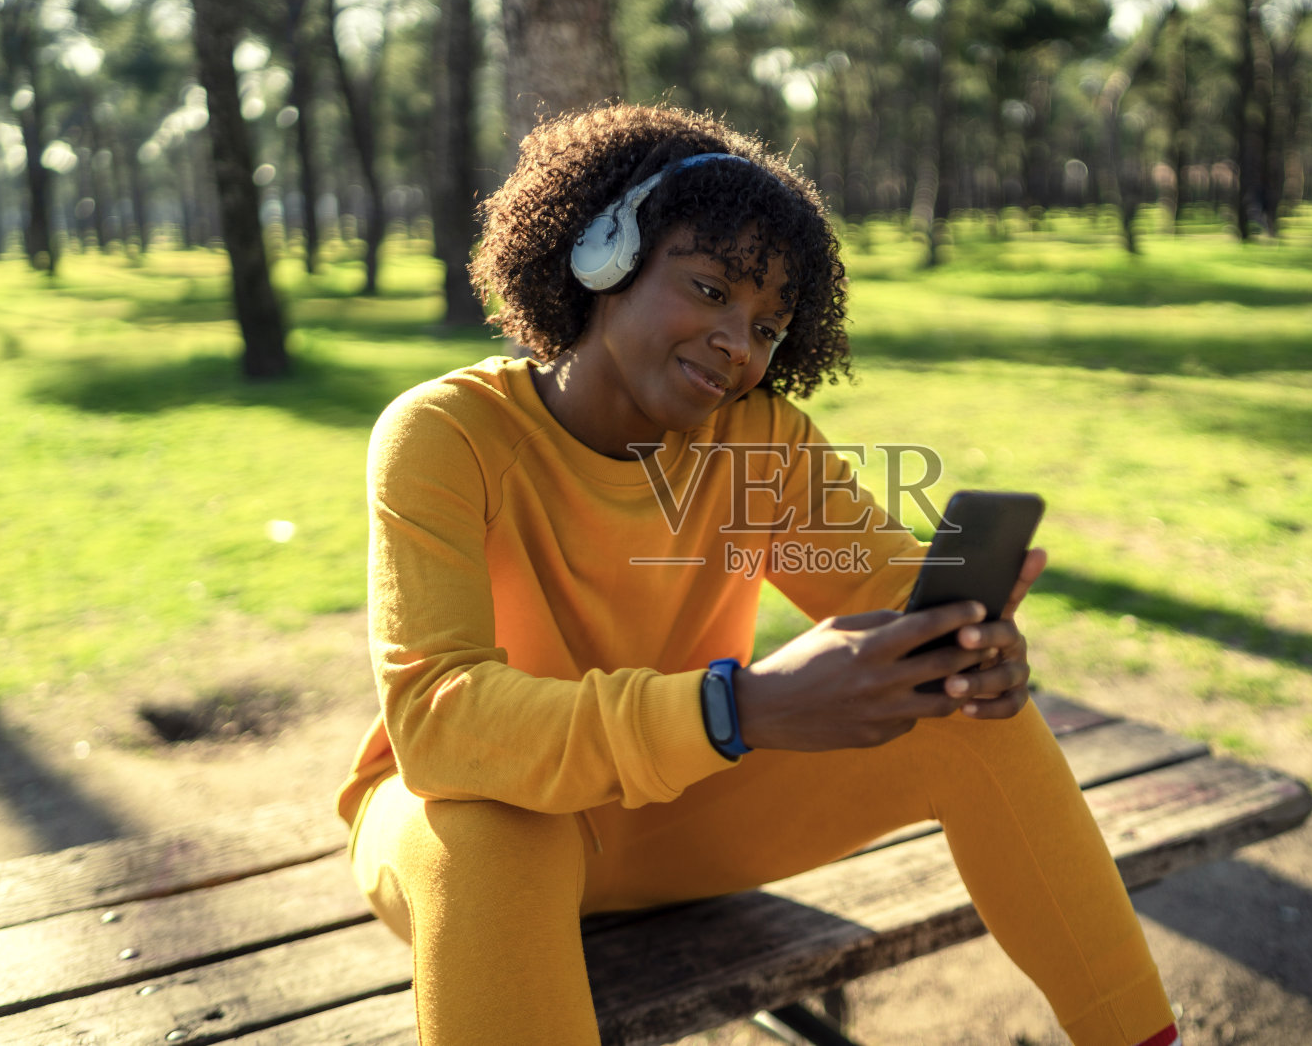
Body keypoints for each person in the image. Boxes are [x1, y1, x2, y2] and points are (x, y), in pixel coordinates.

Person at [336, 103, 1181, 1046]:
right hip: (471, 823)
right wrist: (737, 707)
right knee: (495, 825)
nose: (740, 344)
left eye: (769, 325)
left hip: (674, 812)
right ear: (604, 257)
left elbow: (889, 589)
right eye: (709, 289)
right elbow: (443, 727)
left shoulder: (759, 439)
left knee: (972, 714)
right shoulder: (447, 434)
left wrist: (968, 648)